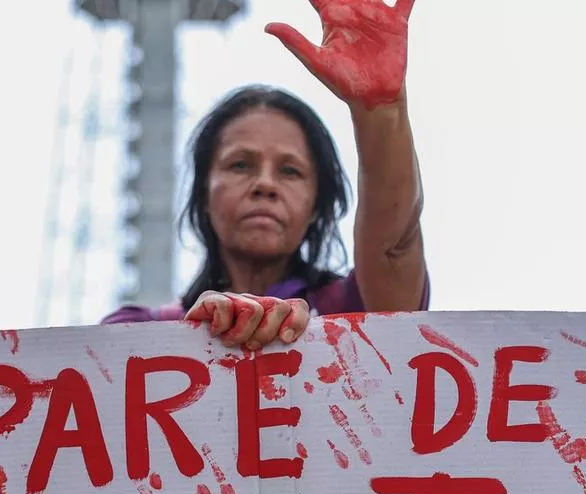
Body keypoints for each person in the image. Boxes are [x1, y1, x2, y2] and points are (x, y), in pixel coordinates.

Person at [102, 0, 427, 350]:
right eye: (240, 164)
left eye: (290, 171)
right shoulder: (134, 333)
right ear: (203, 195)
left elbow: (394, 246)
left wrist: (380, 110)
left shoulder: (356, 310)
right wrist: (189, 339)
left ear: (317, 203)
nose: (265, 185)